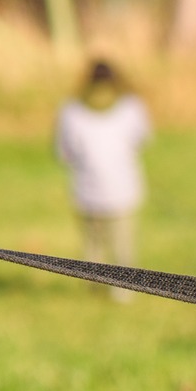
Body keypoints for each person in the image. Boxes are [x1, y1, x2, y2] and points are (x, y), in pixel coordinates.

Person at [54, 59, 151, 301]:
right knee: (122, 246)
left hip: (87, 191)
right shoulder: (131, 107)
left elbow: (64, 153)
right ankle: (123, 293)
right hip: (123, 189)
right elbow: (142, 139)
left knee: (93, 246)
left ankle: (94, 291)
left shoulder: (71, 111)